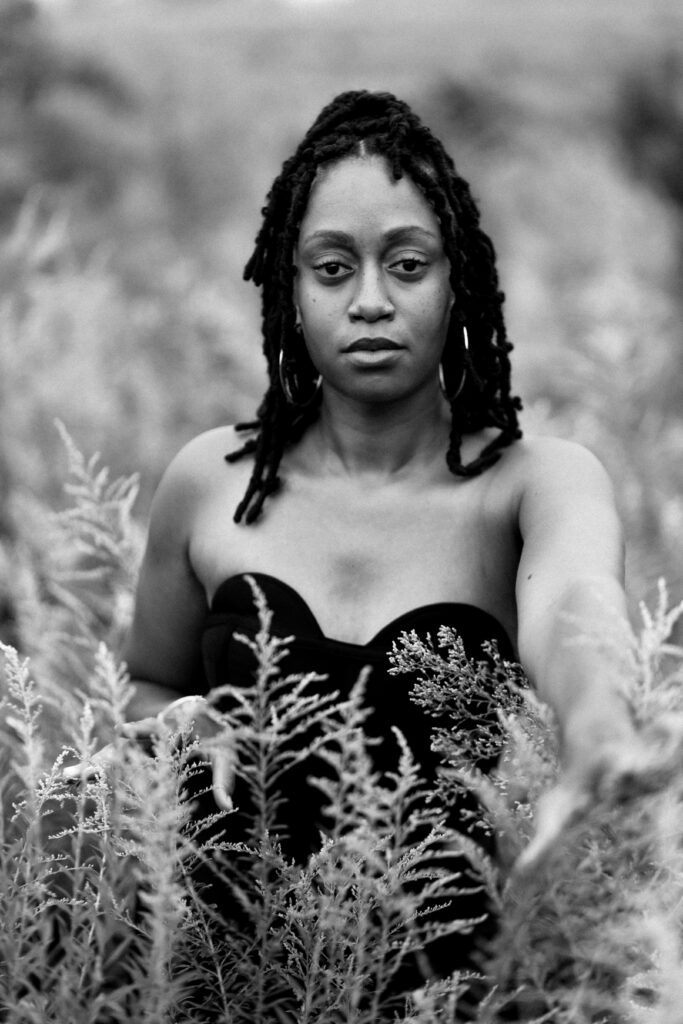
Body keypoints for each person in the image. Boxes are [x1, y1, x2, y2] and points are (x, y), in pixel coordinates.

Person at [67, 90, 647, 1010]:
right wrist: (184, 723)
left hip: (453, 999)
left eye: (406, 264)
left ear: (456, 279)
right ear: (291, 290)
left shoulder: (533, 482)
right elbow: (149, 682)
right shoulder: (212, 482)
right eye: (332, 268)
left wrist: (602, 729)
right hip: (225, 986)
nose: (370, 300)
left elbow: (575, 605)